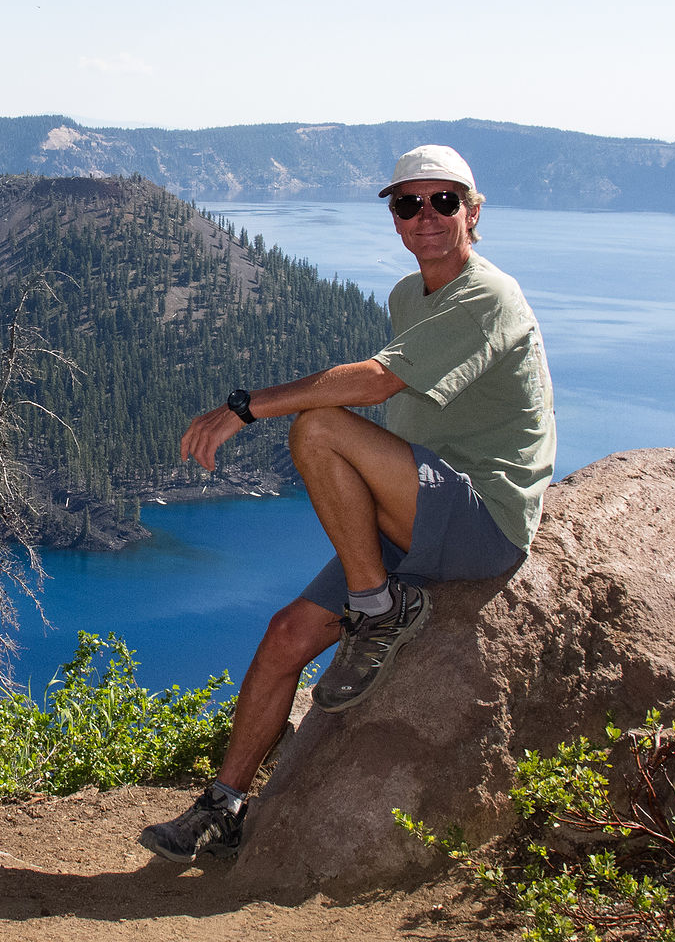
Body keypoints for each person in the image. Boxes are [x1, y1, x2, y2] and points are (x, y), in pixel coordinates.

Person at [139, 144, 556, 864]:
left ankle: (377, 606)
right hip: (417, 510)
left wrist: (246, 406)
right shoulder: (409, 295)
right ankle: (224, 806)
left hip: (480, 518)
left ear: (474, 211)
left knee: (321, 427)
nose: (425, 217)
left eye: (443, 201)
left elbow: (374, 385)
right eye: (407, 203)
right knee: (284, 637)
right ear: (395, 217)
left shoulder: (490, 295)